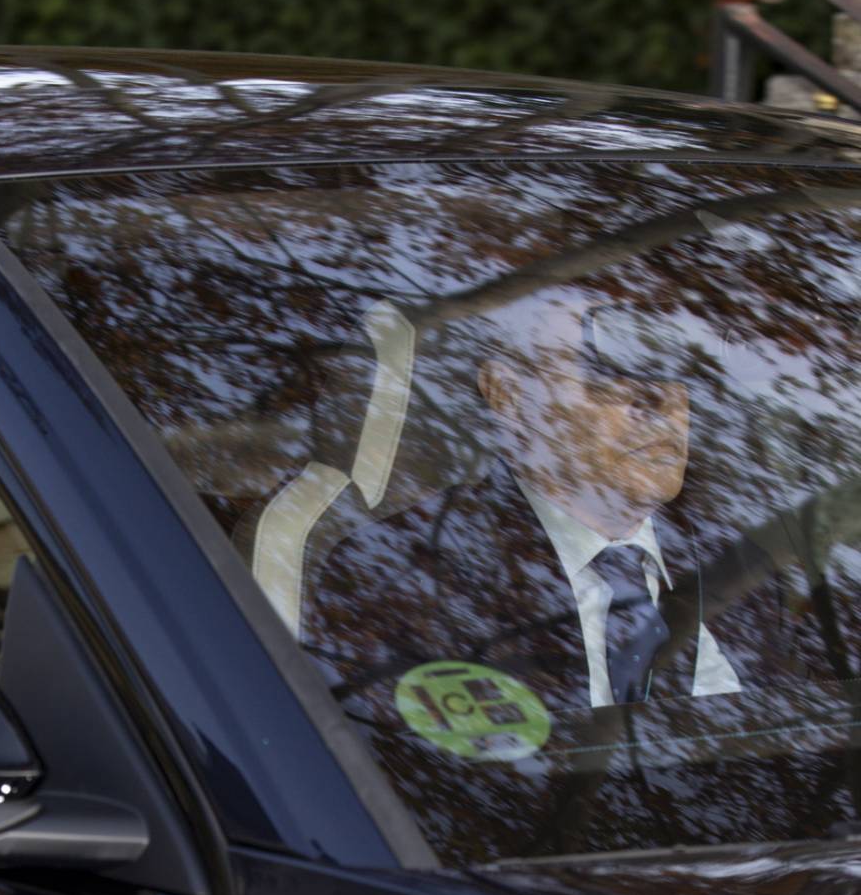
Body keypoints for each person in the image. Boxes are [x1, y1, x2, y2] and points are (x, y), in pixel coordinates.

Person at [296, 288, 794, 714]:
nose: (662, 399)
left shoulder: (742, 568)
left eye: (676, 368)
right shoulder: (404, 573)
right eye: (613, 370)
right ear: (509, 396)